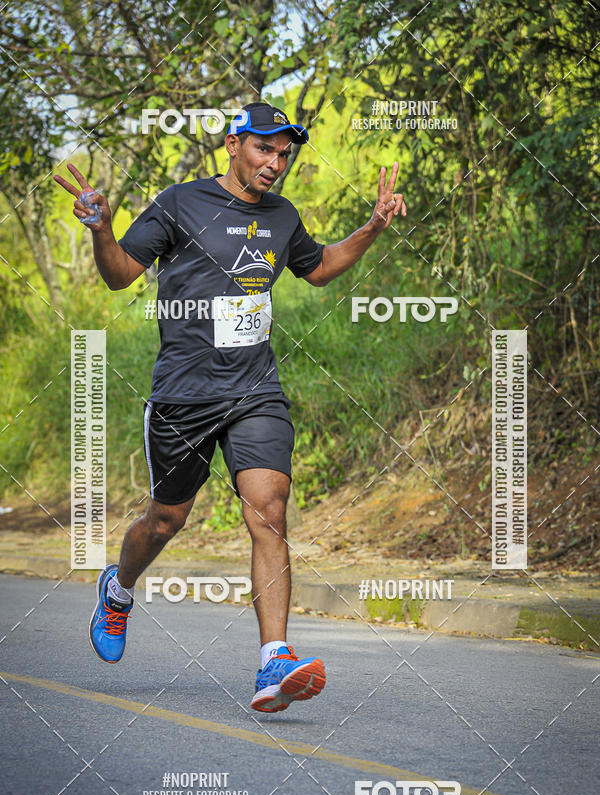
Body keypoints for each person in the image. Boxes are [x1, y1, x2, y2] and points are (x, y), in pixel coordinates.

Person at [54, 101, 406, 713]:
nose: (275, 164)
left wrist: (372, 226)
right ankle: (119, 589)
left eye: (284, 154)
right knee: (167, 521)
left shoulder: (281, 216)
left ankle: (274, 662)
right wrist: (102, 232)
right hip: (184, 396)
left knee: (269, 510)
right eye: (264, 150)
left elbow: (319, 268)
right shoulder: (178, 204)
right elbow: (119, 276)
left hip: (254, 390)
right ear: (233, 146)